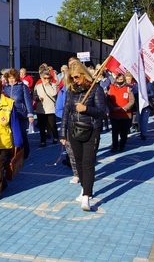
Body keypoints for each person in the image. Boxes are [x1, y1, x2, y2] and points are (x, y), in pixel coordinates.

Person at [60, 61, 106, 211]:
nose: (75, 80)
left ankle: (87, 195)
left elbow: (101, 112)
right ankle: (84, 187)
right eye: (72, 78)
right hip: (74, 130)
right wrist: (63, 133)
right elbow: (66, 111)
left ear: (83, 74)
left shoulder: (95, 89)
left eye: (77, 77)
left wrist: (86, 108)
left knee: (88, 162)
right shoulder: (71, 91)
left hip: (91, 130)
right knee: (78, 162)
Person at [3, 68, 34, 158]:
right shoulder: (5, 87)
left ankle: (25, 152)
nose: (12, 80)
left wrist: (30, 114)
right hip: (10, 114)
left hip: (21, 113)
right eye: (10, 78)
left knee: (22, 134)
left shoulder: (22, 86)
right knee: (12, 134)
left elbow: (27, 100)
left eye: (13, 78)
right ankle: (15, 152)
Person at [106, 74, 135, 152]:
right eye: (118, 79)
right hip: (114, 114)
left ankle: (122, 145)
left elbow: (132, 100)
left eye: (121, 79)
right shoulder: (111, 87)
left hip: (125, 114)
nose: (119, 81)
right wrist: (112, 108)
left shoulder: (128, 88)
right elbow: (108, 100)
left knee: (124, 132)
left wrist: (125, 108)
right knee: (115, 132)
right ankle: (115, 146)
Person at [33, 69, 59, 147]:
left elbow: (53, 93)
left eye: (48, 78)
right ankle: (43, 141)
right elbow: (34, 96)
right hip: (41, 109)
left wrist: (48, 85)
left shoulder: (53, 85)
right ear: (41, 78)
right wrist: (37, 98)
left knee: (52, 125)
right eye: (45, 78)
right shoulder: (38, 86)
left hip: (50, 108)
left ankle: (55, 137)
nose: (46, 80)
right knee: (42, 126)